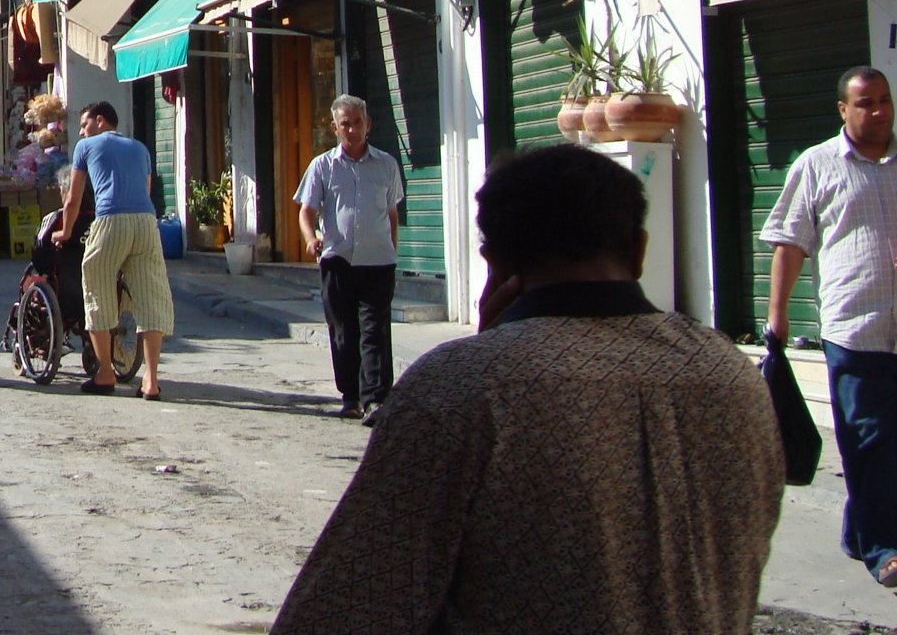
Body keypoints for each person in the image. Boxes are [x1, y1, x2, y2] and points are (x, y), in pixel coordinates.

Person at [273, 144, 783, 634]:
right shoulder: (731, 376)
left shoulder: (458, 390)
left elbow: (348, 604)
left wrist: (487, 351)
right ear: (640, 250)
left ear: (493, 260)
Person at [762, 65, 897, 589]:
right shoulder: (817, 165)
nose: (880, 110)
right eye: (866, 102)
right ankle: (884, 547)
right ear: (844, 109)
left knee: (887, 441)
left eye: (885, 99)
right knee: (868, 438)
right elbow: (790, 241)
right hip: (854, 328)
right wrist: (777, 315)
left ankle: (859, 532)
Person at [295, 93, 405, 421]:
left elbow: (391, 213)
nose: (353, 129)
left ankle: (376, 398)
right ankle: (351, 396)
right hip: (337, 261)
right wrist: (310, 237)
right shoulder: (322, 166)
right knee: (343, 333)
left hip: (378, 262)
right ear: (335, 127)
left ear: (368, 124)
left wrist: (392, 250)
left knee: (375, 331)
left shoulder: (386, 165)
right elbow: (307, 211)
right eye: (346, 124)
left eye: (358, 123)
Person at [51, 100, 170, 399]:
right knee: (150, 297)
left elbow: (72, 201)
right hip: (146, 222)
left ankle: (105, 373)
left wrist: (65, 231)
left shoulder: (86, 148)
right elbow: (145, 191)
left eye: (84, 125)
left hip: (110, 221)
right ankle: (151, 381)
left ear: (100, 121)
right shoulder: (141, 148)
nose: (81, 132)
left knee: (96, 288)